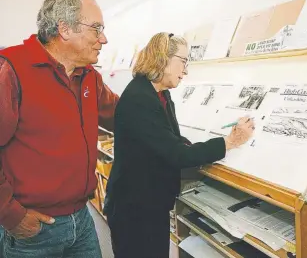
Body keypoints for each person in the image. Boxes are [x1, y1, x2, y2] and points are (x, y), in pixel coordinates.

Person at [104, 32, 255, 258]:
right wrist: (230, 142)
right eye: (183, 61)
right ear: (163, 58)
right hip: (134, 210)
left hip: (150, 204)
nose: (186, 70)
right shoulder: (140, 99)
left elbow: (170, 138)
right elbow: (176, 154)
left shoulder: (159, 93)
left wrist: (192, 146)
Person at [0, 0, 119, 258]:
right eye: (96, 28)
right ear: (65, 29)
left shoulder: (89, 75)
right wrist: (11, 215)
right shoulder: (12, 70)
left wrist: (153, 90)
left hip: (82, 218)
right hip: (33, 229)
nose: (104, 39)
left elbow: (121, 114)